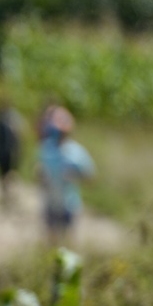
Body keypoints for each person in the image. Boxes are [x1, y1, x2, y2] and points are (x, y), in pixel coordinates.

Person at [37, 106, 96, 247]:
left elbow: (90, 176)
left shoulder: (76, 152)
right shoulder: (46, 149)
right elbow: (38, 172)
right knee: (52, 242)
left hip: (69, 204)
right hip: (51, 202)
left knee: (70, 242)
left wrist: (76, 175)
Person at [0, 99, 26, 210]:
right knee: (8, 173)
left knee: (6, 174)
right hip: (9, 151)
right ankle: (9, 195)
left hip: (5, 151)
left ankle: (8, 195)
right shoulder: (13, 119)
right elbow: (21, 135)